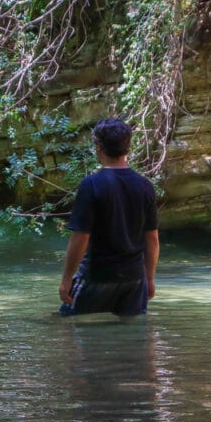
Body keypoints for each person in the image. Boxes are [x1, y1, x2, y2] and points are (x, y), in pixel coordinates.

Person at [59, 118, 159, 317]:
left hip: (97, 276)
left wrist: (66, 279)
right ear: (127, 146)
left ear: (98, 146)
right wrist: (149, 278)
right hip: (134, 278)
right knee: (129, 336)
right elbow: (152, 239)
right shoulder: (145, 186)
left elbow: (80, 237)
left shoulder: (91, 185)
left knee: (68, 328)